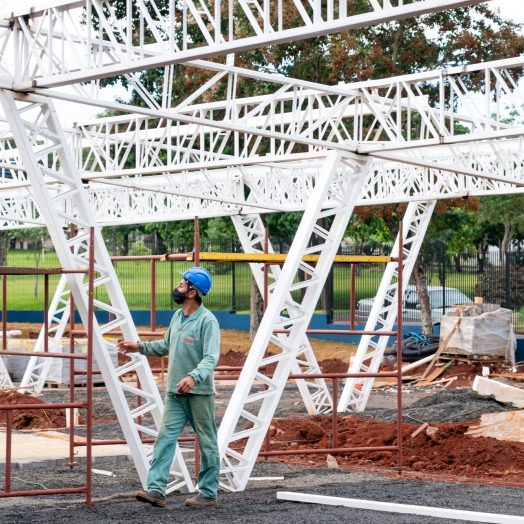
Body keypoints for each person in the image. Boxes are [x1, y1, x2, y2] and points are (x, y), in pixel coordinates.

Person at [117, 267, 220, 508]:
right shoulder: (177, 317)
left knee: (207, 442)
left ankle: (208, 492)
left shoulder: (207, 321)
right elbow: (166, 345)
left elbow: (211, 357)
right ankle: (156, 490)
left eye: (183, 284)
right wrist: (139, 347)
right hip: (175, 392)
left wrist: (193, 377)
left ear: (193, 292)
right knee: (164, 438)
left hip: (199, 394)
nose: (178, 286)